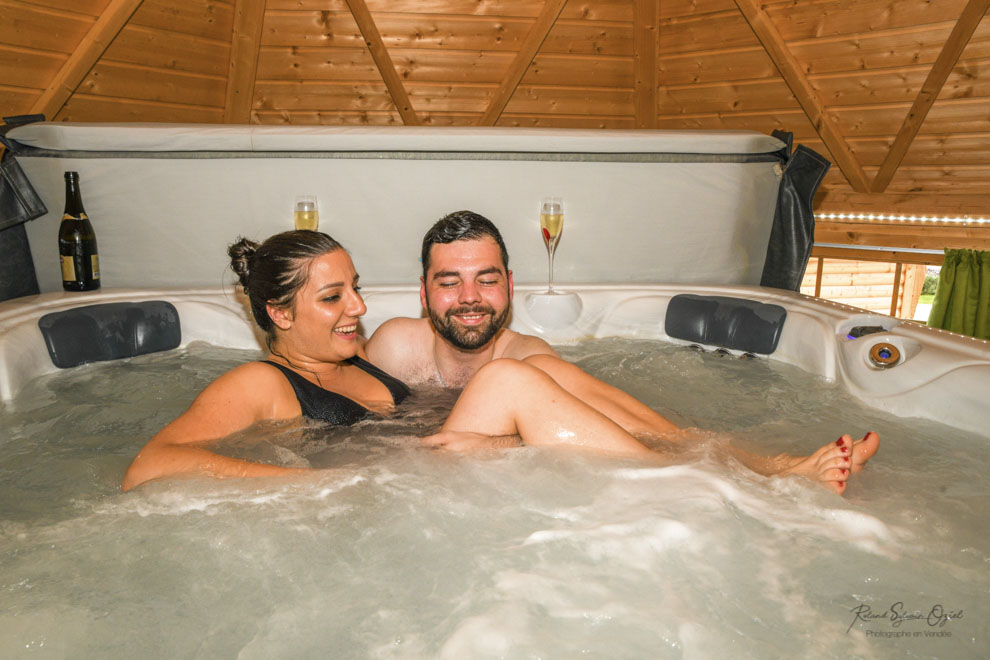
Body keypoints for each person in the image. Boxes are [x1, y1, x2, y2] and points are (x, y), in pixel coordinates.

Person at [122, 229, 859, 493]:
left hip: (429, 467)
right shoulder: (260, 381)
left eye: (354, 290)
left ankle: (741, 460)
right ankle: (721, 484)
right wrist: (312, 490)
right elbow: (150, 466)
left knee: (539, 374)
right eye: (333, 298)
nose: (356, 308)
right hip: (391, 489)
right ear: (279, 315)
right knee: (509, 378)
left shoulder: (363, 361)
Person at [365, 210, 880, 490]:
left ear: (510, 285)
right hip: (421, 483)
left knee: (548, 376)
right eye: (450, 282)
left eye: (486, 279)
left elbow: (606, 432)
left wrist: (498, 446)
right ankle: (748, 479)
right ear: (424, 290)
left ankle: (767, 466)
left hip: (474, 480)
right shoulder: (394, 346)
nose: (470, 298)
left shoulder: (529, 355)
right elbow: (354, 443)